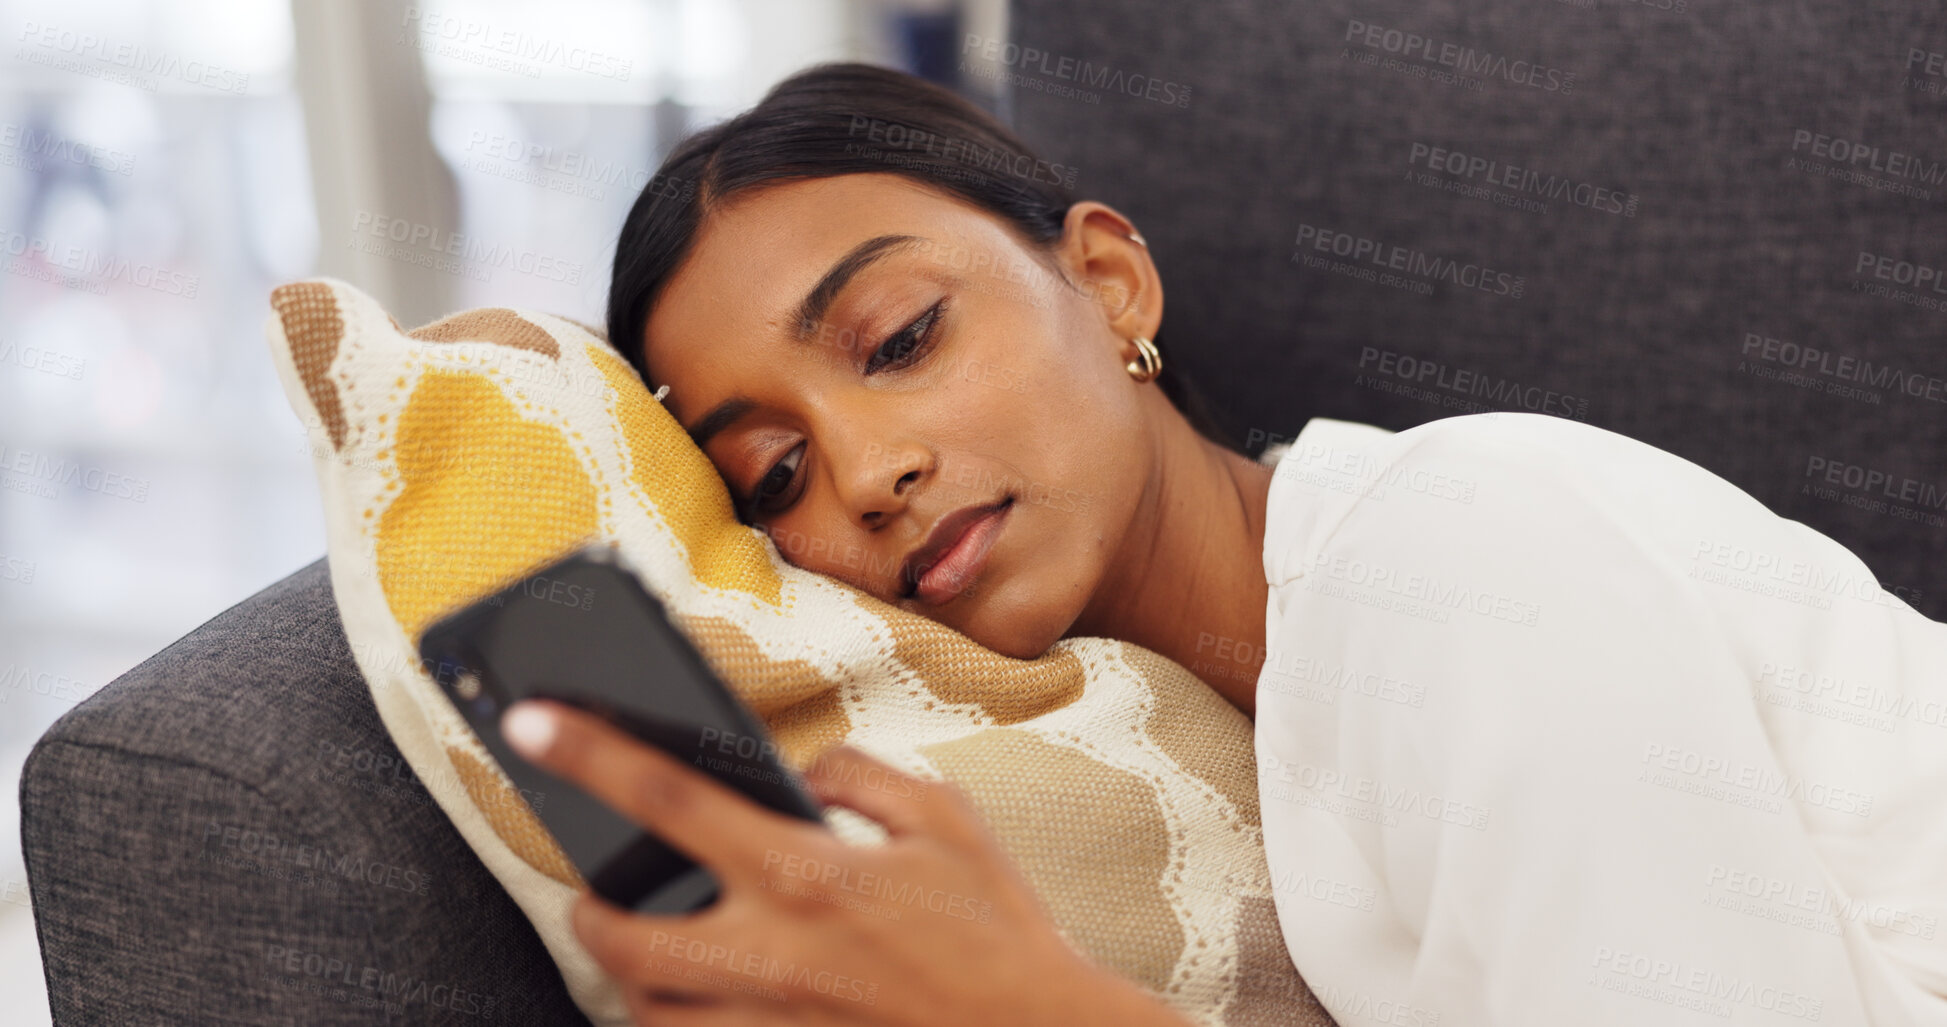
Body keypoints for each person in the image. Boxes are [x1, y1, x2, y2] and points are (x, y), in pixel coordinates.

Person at [506, 60, 1947, 1025]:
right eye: (773, 479)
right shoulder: (1248, 737)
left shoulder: (1444, 558)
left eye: (900, 338)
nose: (870, 476)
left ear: (1112, 282)